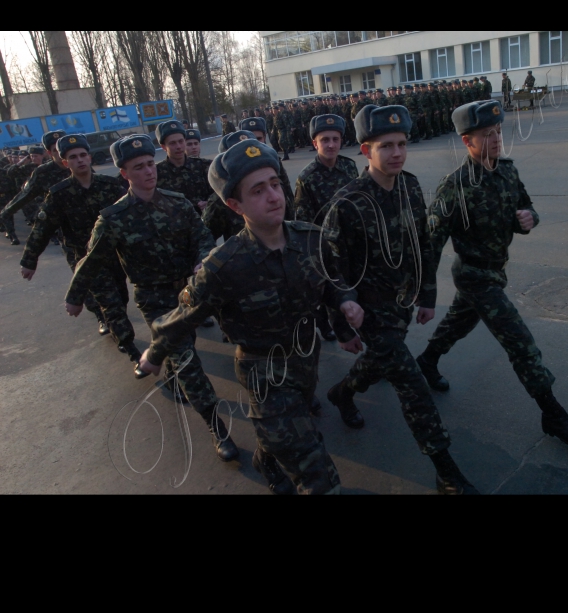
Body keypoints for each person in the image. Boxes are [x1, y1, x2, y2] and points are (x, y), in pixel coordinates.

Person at [140, 138, 365, 495]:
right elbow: (184, 317)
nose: (274, 196)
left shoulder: (310, 239)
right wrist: (154, 354)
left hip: (306, 358)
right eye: (258, 191)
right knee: (315, 470)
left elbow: (333, 280)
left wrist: (346, 304)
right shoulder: (224, 265)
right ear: (234, 204)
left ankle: (267, 457)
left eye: (275, 184)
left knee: (287, 428)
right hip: (263, 371)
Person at [418, 100, 568, 450]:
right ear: (468, 141)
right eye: (488, 135)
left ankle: (427, 359)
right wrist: (425, 295)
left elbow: (525, 206)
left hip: (495, 273)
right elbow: (431, 245)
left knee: (460, 321)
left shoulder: (508, 172)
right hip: (473, 275)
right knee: (520, 342)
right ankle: (553, 414)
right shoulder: (454, 187)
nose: (497, 139)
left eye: (499, 132)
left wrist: (529, 218)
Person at [324, 105, 478, 495]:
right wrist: (343, 325)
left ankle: (343, 391)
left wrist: (427, 295)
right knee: (412, 385)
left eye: (402, 144)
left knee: (382, 362)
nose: (397, 153)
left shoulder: (409, 186)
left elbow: (422, 245)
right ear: (365, 151)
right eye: (386, 146)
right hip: (368, 313)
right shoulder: (348, 202)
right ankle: (446, 472)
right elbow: (330, 268)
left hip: (402, 305)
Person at [64, 134, 238, 462]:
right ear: (124, 174)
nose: (148, 171)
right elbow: (93, 259)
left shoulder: (177, 202)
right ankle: (218, 428)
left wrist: (203, 256)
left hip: (189, 291)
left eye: (149, 164)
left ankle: (167, 365)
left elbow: (201, 236)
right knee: (188, 364)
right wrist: (74, 297)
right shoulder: (113, 217)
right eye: (138, 167)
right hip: (154, 299)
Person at [19, 134, 136, 355]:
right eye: (73, 157)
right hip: (84, 258)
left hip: (114, 256)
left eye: (83, 155)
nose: (80, 160)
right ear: (65, 163)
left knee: (120, 297)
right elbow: (42, 229)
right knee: (110, 302)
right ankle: (129, 346)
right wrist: (29, 260)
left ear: (90, 158)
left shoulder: (109, 186)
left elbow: (131, 214)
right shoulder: (59, 194)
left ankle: (114, 324)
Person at [295, 114, 359, 344]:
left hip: (350, 242)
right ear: (315, 143)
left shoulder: (349, 167)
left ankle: (346, 322)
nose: (331, 144)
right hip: (323, 245)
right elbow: (303, 220)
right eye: (325, 140)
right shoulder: (307, 178)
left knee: (350, 284)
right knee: (324, 290)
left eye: (335, 139)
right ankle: (325, 325)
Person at [1, 131, 70, 246]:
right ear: (49, 152)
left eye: (63, 148)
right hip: (60, 222)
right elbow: (23, 196)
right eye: (55, 150)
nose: (60, 153)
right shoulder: (43, 172)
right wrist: (4, 215)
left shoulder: (79, 165)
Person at [155, 121, 213, 214]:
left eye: (181, 141)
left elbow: (219, 193)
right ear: (163, 147)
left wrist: (210, 203)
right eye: (172, 143)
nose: (178, 146)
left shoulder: (205, 166)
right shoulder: (157, 173)